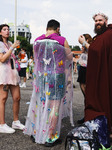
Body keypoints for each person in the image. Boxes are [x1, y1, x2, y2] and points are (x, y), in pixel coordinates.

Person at [24, 19, 73, 147]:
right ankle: (50, 136)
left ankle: (37, 132)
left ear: (47, 28)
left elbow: (36, 58)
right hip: (56, 76)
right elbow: (69, 57)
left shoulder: (37, 40)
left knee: (41, 103)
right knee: (55, 106)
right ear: (57, 29)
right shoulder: (61, 40)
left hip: (42, 76)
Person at [78, 13, 112, 149]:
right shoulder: (101, 36)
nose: (98, 23)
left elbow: (97, 50)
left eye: (100, 20)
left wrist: (84, 44)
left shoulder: (108, 34)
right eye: (96, 21)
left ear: (106, 21)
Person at [0, 24, 25, 133]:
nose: (7, 31)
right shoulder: (0, 44)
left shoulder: (10, 43)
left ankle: (16, 121)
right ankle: (2, 124)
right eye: (4, 29)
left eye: (8, 29)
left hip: (13, 73)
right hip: (4, 73)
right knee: (3, 98)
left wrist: (17, 55)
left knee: (17, 97)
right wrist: (11, 48)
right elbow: (2, 59)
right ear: (0, 32)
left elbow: (11, 57)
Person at [77, 34, 92, 124]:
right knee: (85, 96)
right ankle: (86, 115)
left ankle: (89, 116)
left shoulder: (89, 48)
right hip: (82, 70)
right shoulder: (84, 50)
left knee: (87, 96)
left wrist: (84, 44)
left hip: (86, 70)